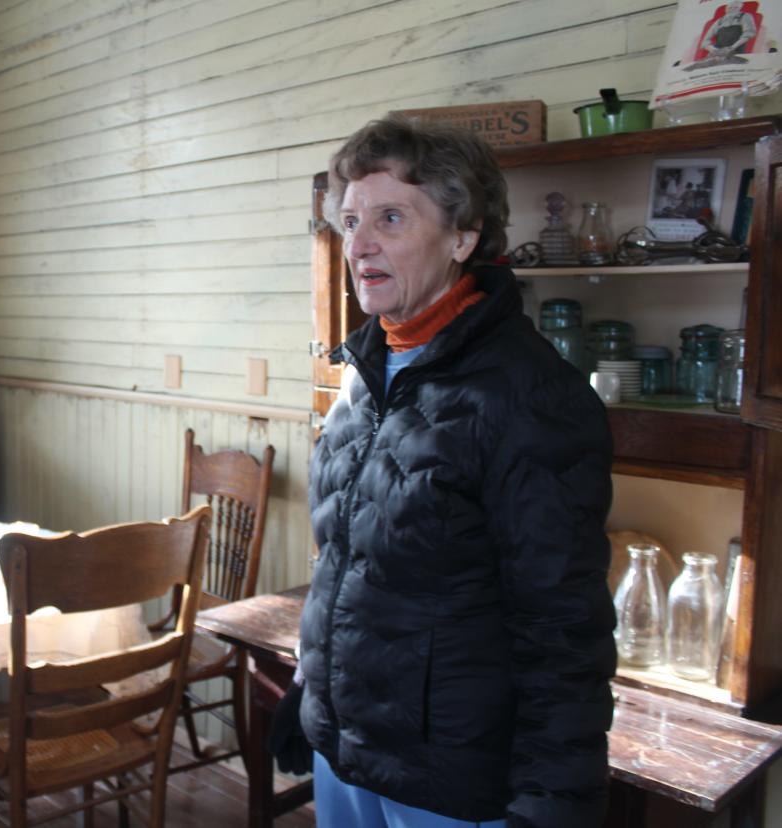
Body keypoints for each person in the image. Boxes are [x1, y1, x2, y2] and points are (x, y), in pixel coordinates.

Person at [297, 118, 616, 827]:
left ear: (464, 237)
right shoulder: (364, 374)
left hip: (451, 780)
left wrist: (551, 804)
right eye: (350, 221)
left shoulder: (531, 396)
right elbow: (344, 569)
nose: (359, 245)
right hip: (346, 752)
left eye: (390, 218)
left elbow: (561, 630)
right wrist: (310, 700)